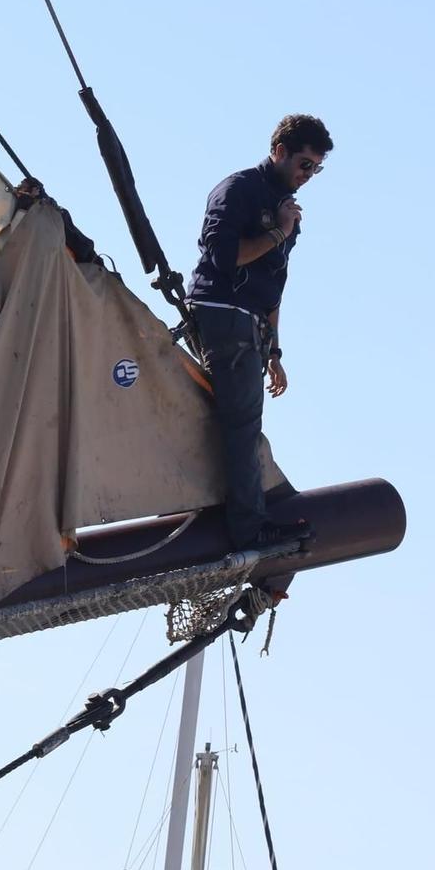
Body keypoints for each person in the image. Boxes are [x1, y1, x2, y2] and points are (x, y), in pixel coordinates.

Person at [183, 113, 331, 548]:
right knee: (242, 424)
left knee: (235, 421)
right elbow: (224, 257)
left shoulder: (286, 211)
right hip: (222, 312)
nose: (308, 176)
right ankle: (249, 530)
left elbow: (273, 286)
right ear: (280, 151)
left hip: (248, 322)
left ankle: (226, 513)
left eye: (316, 169)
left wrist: (274, 352)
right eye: (305, 164)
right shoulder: (239, 189)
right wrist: (279, 232)